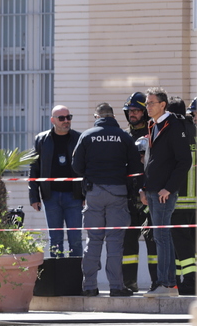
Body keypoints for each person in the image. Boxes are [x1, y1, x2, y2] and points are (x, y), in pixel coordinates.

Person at [71, 103, 142, 297]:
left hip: (94, 193)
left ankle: (89, 287)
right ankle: (116, 286)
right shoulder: (125, 137)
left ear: (97, 116)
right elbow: (136, 167)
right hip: (118, 193)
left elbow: (76, 166)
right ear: (112, 116)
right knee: (115, 241)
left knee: (93, 241)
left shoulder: (87, 136)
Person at [141, 87, 192, 298]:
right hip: (152, 190)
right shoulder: (153, 124)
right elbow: (152, 161)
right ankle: (164, 283)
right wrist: (145, 187)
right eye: (146, 103)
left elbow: (184, 161)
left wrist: (169, 188)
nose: (148, 107)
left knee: (162, 237)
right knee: (159, 236)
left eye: (151, 103)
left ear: (163, 105)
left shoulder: (173, 126)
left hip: (164, 192)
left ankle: (168, 284)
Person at [29, 105, 84, 257]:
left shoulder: (79, 138)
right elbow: (34, 168)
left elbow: (86, 168)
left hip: (74, 196)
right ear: (52, 120)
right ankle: (57, 278)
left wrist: (85, 195)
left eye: (69, 117)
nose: (66, 121)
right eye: (62, 118)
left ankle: (76, 279)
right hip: (51, 196)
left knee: (76, 240)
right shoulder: (41, 140)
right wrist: (34, 197)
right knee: (56, 240)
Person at [121, 92, 158, 292]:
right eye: (130, 111)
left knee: (152, 240)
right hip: (128, 196)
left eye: (136, 110)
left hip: (149, 196)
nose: (133, 114)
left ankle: (156, 282)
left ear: (144, 112)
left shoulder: (154, 132)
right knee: (128, 242)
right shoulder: (124, 136)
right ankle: (129, 283)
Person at [167, 96, 196, 295]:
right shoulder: (195, 131)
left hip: (178, 200)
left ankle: (188, 281)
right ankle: (183, 280)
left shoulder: (173, 133)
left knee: (181, 246)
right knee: (193, 245)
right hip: (196, 203)